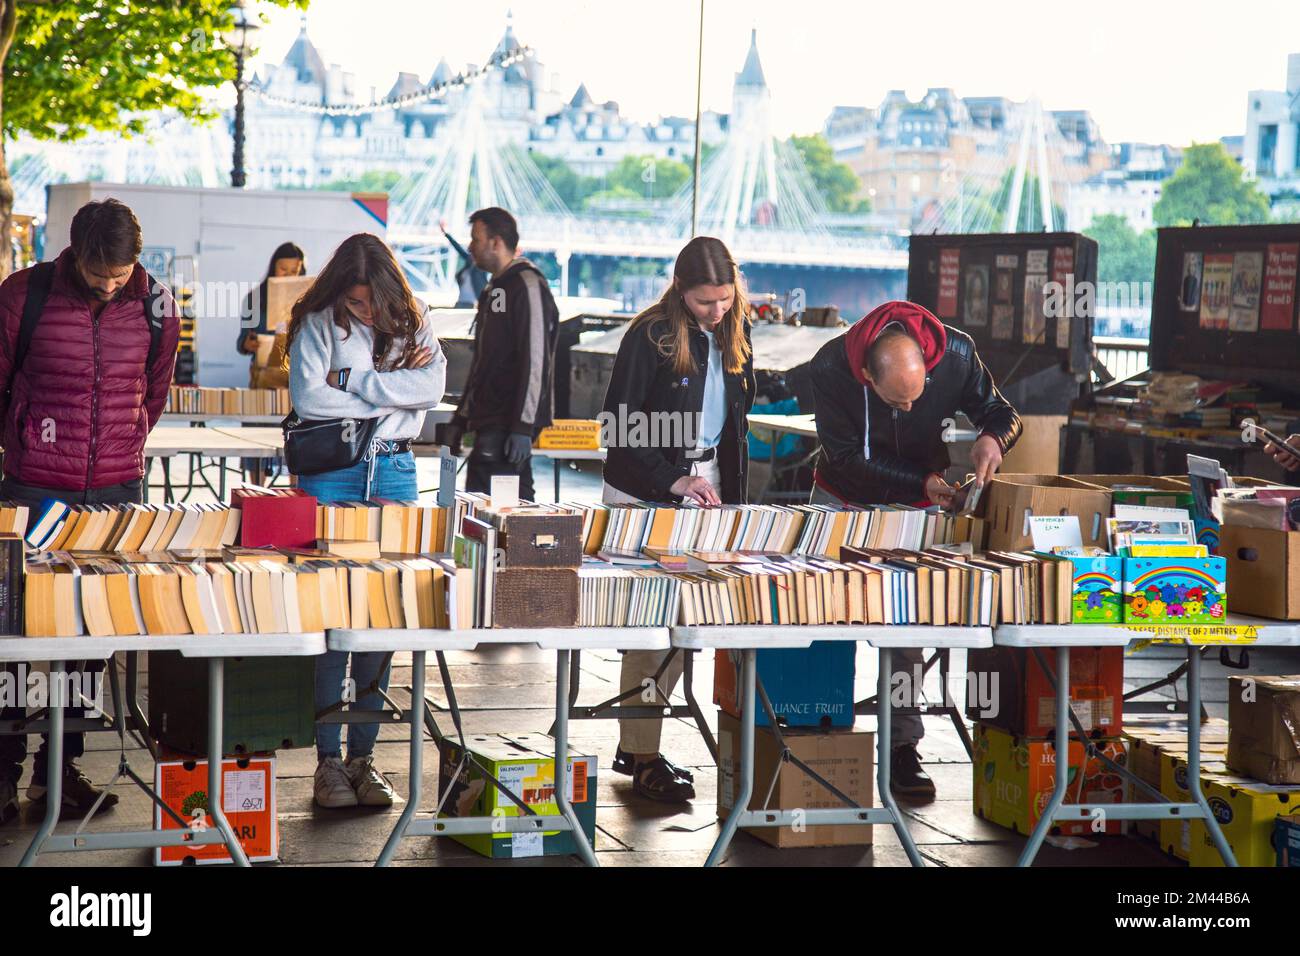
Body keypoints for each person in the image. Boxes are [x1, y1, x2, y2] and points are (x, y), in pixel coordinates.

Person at [0, 198, 180, 822]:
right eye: (98, 274)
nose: (109, 286)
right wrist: (27, 441)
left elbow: (153, 394)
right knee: (19, 633)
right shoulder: (24, 296)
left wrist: (119, 447)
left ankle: (60, 771)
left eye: (119, 275)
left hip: (113, 495)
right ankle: (3, 772)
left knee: (88, 635)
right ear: (74, 254)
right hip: (33, 491)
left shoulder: (157, 305)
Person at [809, 299, 1021, 800]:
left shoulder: (958, 354)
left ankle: (903, 747)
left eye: (917, 397)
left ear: (928, 366)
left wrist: (993, 439)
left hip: (917, 506)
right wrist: (924, 480)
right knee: (816, 616)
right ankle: (811, 731)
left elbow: (999, 410)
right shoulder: (829, 365)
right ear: (866, 374)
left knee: (906, 629)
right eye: (896, 403)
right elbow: (844, 457)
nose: (908, 409)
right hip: (841, 497)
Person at [286, 233, 446, 810]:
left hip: (396, 472)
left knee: (383, 613)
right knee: (333, 616)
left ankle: (364, 759)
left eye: (372, 302)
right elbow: (309, 401)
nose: (367, 312)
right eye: (355, 305)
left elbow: (433, 389)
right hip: (332, 472)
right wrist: (393, 399)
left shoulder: (416, 317)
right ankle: (327, 764)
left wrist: (352, 382)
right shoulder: (316, 321)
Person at [601, 236, 756, 803]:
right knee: (651, 625)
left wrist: (726, 494)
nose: (716, 312)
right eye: (703, 303)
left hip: (705, 487)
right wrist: (674, 479)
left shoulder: (734, 330)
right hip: (649, 491)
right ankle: (642, 756)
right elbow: (617, 435)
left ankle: (642, 747)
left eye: (724, 299)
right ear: (679, 290)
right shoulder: (649, 336)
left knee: (691, 619)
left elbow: (734, 428)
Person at [442, 208, 558, 502]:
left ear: (495, 242)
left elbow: (536, 359)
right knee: (477, 508)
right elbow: (483, 362)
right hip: (486, 421)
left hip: (509, 425)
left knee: (510, 510)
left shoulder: (527, 284)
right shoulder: (492, 289)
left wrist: (522, 426)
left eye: (475, 239)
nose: (470, 247)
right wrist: (461, 417)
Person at [236, 241, 306, 382]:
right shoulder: (254, 299)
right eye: (283, 269)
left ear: (301, 272)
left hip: (298, 374)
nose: (288, 276)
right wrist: (247, 344)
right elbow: (241, 342)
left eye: (294, 271)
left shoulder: (307, 302)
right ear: (273, 267)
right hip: (264, 373)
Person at [439, 218, 488, 309]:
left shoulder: (483, 267)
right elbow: (458, 247)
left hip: (474, 305)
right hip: (460, 302)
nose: (470, 248)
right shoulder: (469, 262)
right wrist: (446, 233)